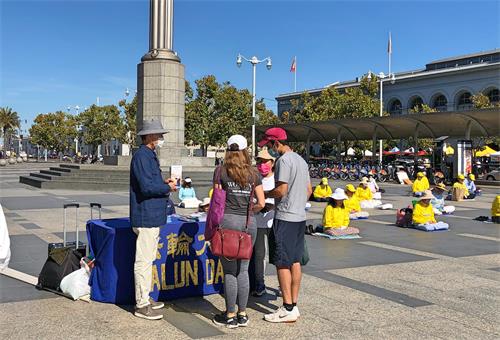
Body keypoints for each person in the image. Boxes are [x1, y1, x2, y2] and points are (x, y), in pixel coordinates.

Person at [258, 127, 312, 323]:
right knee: (295, 261)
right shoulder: (300, 160)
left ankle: (287, 307)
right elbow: (308, 190)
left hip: (285, 218)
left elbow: (281, 190)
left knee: (282, 262)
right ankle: (294, 305)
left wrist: (264, 195)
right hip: (299, 217)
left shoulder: (284, 161)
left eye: (268, 145)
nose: (269, 149)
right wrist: (296, 203)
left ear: (275, 143)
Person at [212, 135, 265, 329]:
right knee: (243, 270)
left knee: (229, 272)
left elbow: (217, 202)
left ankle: (230, 314)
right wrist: (250, 211)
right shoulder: (253, 173)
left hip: (227, 224)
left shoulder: (220, 171)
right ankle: (243, 314)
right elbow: (261, 202)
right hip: (247, 224)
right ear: (245, 151)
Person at [130, 119, 177, 320]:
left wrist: (163, 181)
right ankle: (141, 304)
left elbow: (150, 182)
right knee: (144, 261)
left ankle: (145, 298)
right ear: (148, 136)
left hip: (152, 215)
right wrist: (167, 187)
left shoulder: (148, 155)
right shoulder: (142, 156)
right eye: (158, 135)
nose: (161, 138)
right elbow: (146, 187)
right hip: (146, 215)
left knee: (148, 260)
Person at [252, 149, 276, 297]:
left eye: (265, 161)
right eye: (259, 161)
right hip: (258, 221)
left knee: (278, 254)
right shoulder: (254, 178)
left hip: (274, 221)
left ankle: (283, 283)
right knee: (259, 254)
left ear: (272, 163)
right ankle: (259, 283)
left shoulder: (278, 179)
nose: (262, 164)